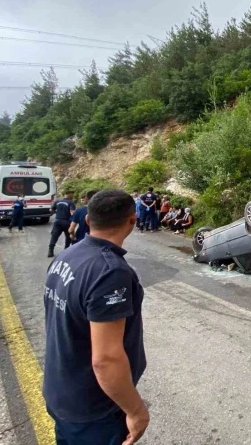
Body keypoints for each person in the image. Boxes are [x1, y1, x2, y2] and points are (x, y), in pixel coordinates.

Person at [43, 189, 149, 444]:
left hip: (60, 391)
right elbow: (107, 359)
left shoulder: (67, 256)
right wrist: (136, 411)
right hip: (93, 407)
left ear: (88, 220)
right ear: (132, 221)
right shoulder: (110, 273)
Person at [48, 191, 76, 258]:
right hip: (67, 222)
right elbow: (72, 213)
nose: (73, 195)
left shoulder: (57, 201)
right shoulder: (71, 202)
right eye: (72, 193)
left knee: (54, 236)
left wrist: (56, 212)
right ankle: (66, 251)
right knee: (68, 237)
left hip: (57, 221)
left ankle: (50, 251)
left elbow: (51, 210)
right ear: (69, 194)